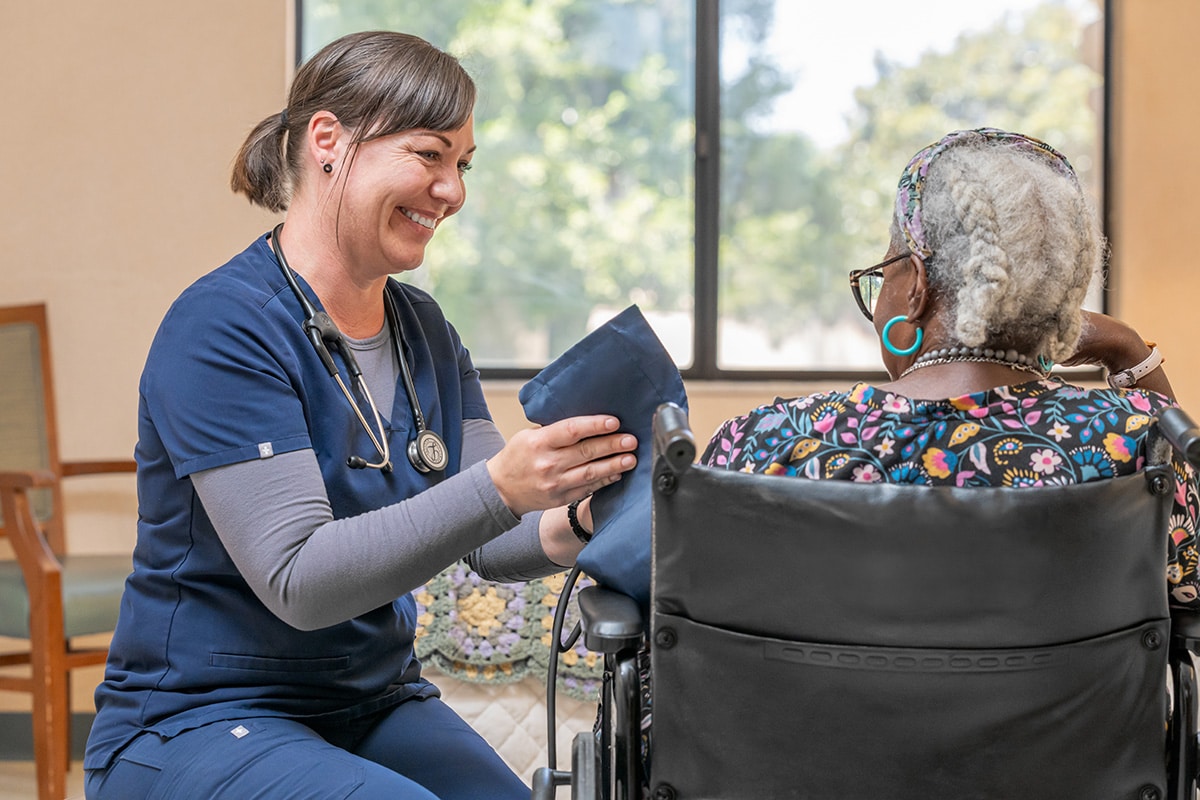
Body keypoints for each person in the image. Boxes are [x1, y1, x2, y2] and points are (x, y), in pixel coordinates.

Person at [83, 31, 636, 800]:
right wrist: (505, 486)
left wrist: (585, 511)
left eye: (463, 164)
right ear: (328, 142)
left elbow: (493, 536)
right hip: (200, 718)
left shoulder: (425, 330)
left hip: (371, 699)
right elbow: (300, 580)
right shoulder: (222, 327)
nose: (454, 191)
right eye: (429, 155)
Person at [701, 127, 1199, 604]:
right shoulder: (1135, 446)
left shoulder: (765, 443)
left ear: (916, 286)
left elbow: (690, 602)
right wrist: (1129, 350)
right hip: (1066, 697)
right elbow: (1190, 583)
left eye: (883, 275)